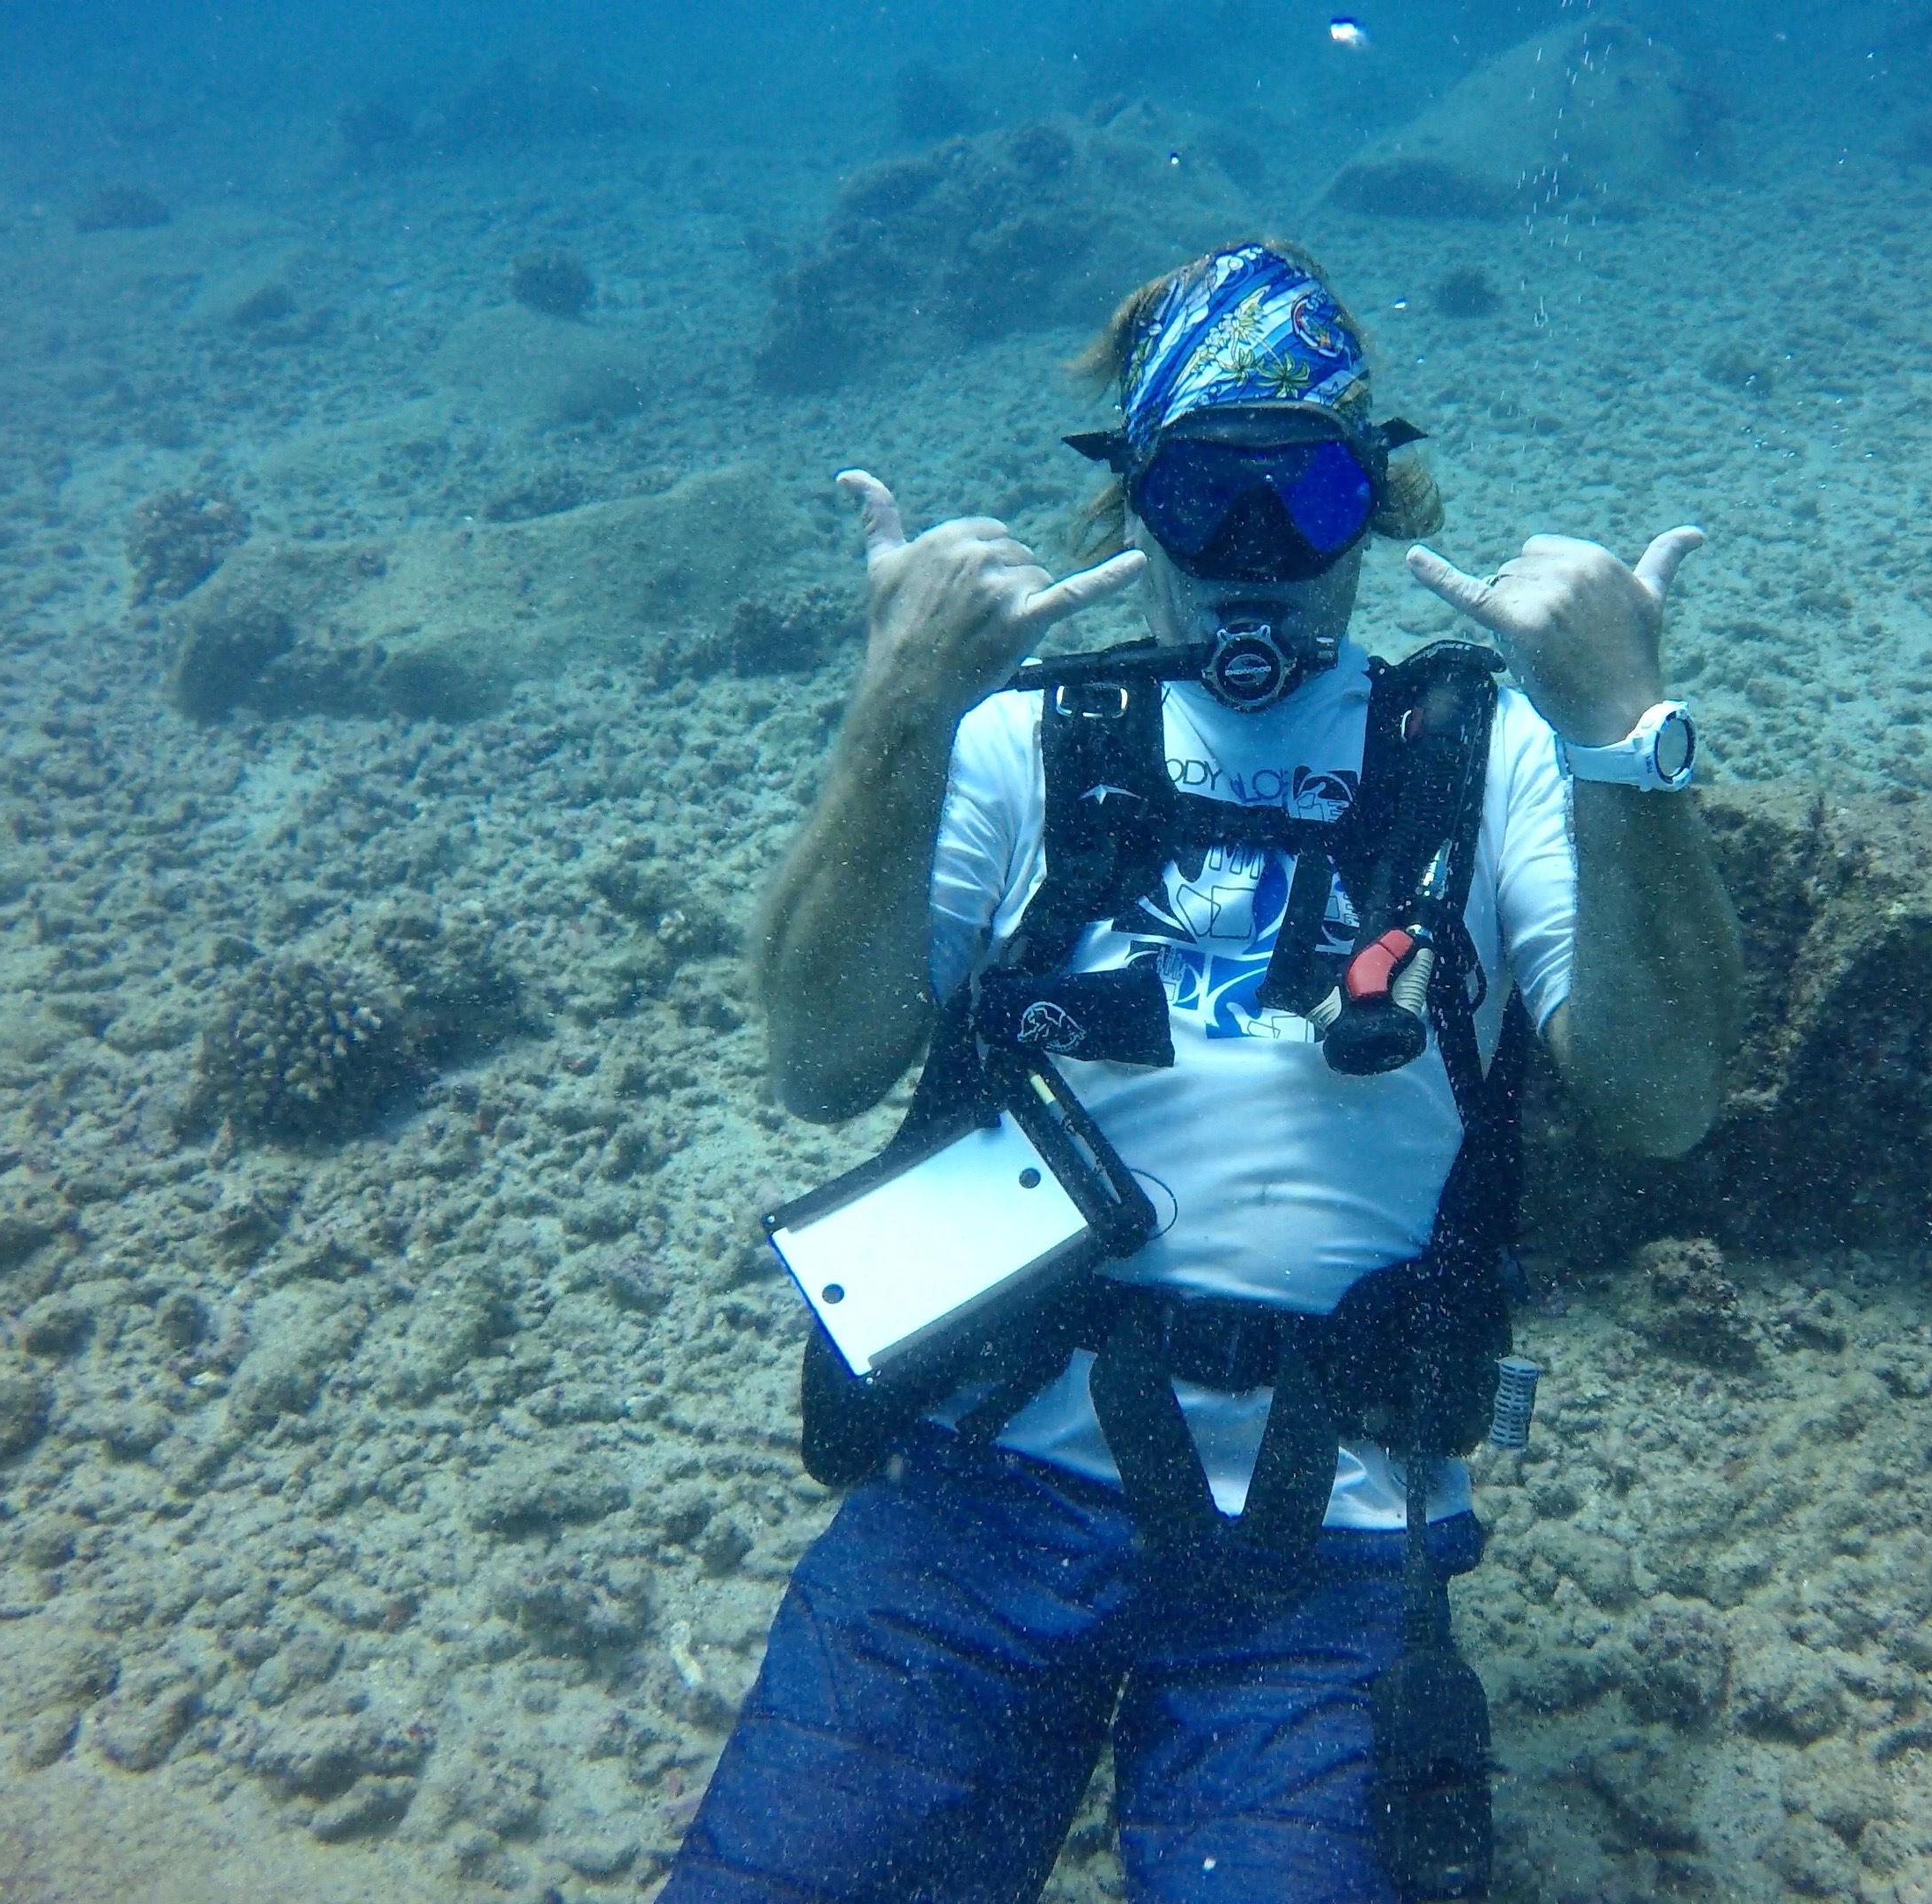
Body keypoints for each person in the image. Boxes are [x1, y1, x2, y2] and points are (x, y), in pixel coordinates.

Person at [659, 241, 1743, 1904]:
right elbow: (819, 1058)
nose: (1254, 561)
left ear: (1379, 506)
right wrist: (900, 708)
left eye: (1303, 497)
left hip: (1329, 1530)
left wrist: (1625, 733)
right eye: (1198, 499)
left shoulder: (1494, 754)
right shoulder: (1020, 739)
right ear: (1130, 506)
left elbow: (1663, 1100)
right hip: (976, 1480)